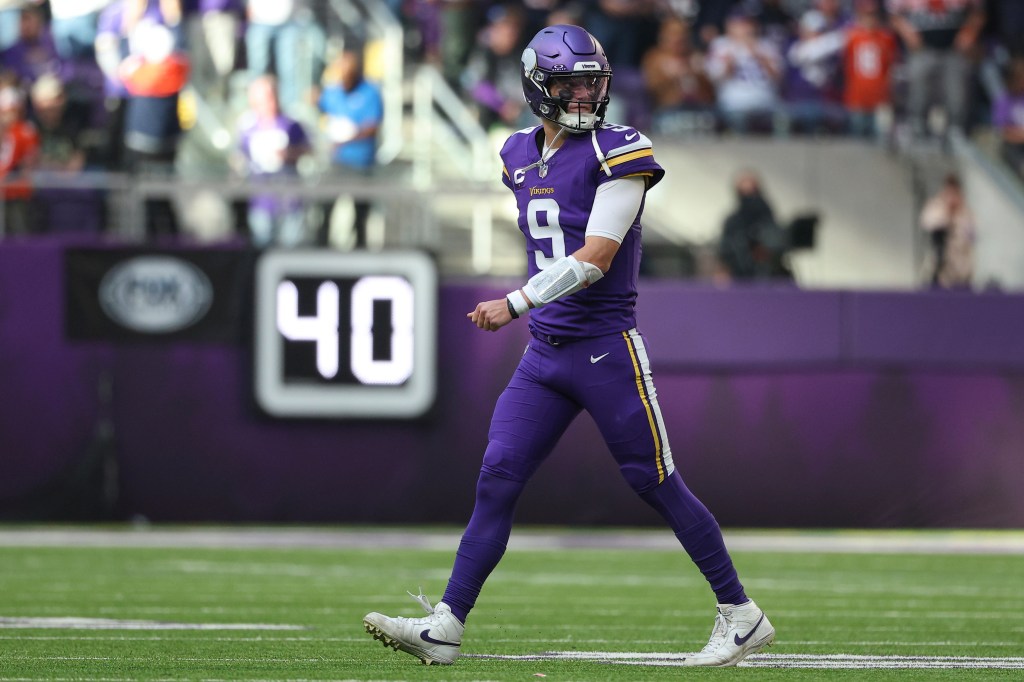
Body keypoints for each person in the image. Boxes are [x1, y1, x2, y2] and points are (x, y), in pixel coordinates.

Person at [362, 24, 775, 669]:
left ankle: (741, 614)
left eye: (592, 82)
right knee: (497, 478)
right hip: (545, 354)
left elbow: (596, 256)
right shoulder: (517, 153)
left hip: (605, 348)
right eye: (569, 83)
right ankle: (446, 625)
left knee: (655, 481)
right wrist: (528, 312)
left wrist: (515, 302)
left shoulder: (620, 150)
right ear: (537, 88)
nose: (584, 94)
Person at [316, 46, 382, 249]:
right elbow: (321, 107)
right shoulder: (333, 91)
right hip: (336, 162)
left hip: (361, 163)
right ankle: (320, 251)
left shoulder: (370, 92)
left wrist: (348, 138)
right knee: (326, 209)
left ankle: (359, 251)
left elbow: (372, 127)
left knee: (360, 213)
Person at [718, 168, 792, 281]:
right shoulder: (733, 222)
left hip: (768, 276)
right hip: (739, 275)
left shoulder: (766, 217)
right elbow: (725, 249)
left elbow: (777, 244)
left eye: (751, 190)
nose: (749, 196)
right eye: (744, 191)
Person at [920, 173, 975, 289]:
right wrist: (947, 212)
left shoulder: (966, 212)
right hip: (939, 269)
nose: (951, 196)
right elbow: (927, 223)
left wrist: (957, 214)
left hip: (961, 269)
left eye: (954, 191)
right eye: (949, 191)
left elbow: (971, 235)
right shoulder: (936, 206)